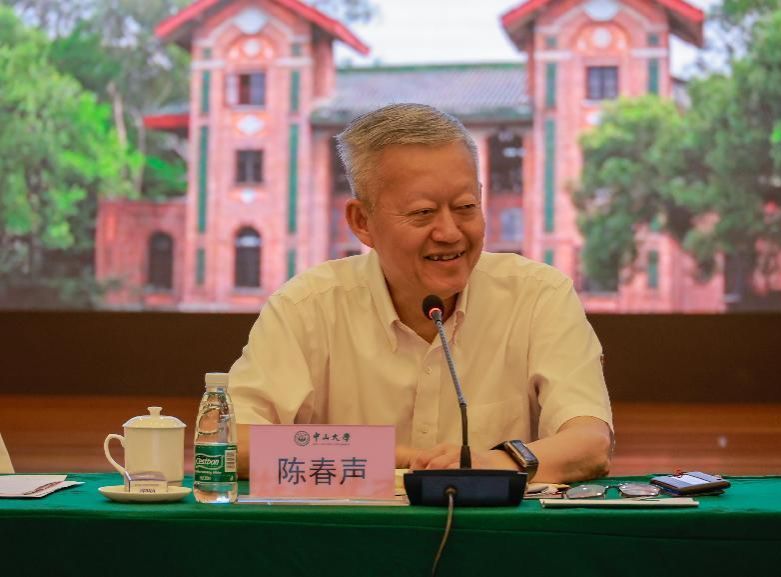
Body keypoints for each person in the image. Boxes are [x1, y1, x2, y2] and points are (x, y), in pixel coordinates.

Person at [228, 103, 613, 483]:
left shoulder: (538, 295)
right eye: (422, 213)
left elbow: (589, 442)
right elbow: (228, 442)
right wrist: (402, 459)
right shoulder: (306, 307)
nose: (450, 233)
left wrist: (491, 464)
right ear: (362, 222)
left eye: (465, 207)